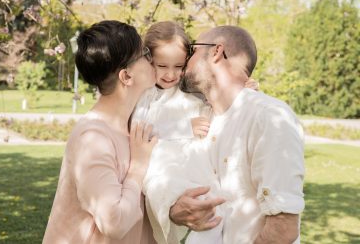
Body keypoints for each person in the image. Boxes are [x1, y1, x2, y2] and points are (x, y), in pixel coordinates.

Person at [168, 25, 305, 243]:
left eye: (192, 51)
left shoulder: (269, 117)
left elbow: (283, 229)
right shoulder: (199, 121)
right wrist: (175, 211)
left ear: (216, 52)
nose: (185, 60)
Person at [133, 21, 257, 244]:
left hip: (198, 164)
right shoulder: (145, 96)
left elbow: (214, 115)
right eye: (162, 66)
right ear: (148, 59)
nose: (171, 74)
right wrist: (184, 127)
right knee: (202, 209)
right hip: (165, 168)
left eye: (179, 66)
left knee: (217, 207)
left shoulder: (190, 92)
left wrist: (239, 92)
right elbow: (142, 132)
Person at [43, 20, 158, 244]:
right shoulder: (93, 138)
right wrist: (138, 168)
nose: (151, 59)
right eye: (144, 53)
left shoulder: (133, 125)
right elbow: (113, 223)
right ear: (126, 77)